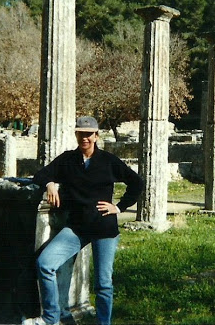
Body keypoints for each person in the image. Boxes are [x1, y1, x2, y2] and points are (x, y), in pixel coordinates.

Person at [23, 116, 144, 325]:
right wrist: (50, 183)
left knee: (103, 284)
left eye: (88, 134)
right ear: (76, 135)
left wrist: (119, 207)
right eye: (80, 134)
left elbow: (136, 183)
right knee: (45, 264)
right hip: (77, 228)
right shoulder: (68, 159)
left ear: (96, 136)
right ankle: (51, 317)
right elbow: (40, 175)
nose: (84, 138)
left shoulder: (108, 161)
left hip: (104, 228)